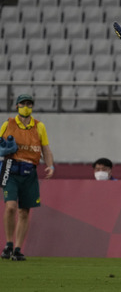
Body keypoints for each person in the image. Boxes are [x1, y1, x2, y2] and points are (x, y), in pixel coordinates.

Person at [0, 94, 55, 261]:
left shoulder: (39, 127)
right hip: (10, 167)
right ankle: (8, 243)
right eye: (23, 103)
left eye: (29, 104)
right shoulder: (7, 124)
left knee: (24, 211)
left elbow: (45, 148)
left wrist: (50, 165)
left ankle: (17, 248)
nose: (26, 106)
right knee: (10, 207)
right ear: (17, 106)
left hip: (29, 170)